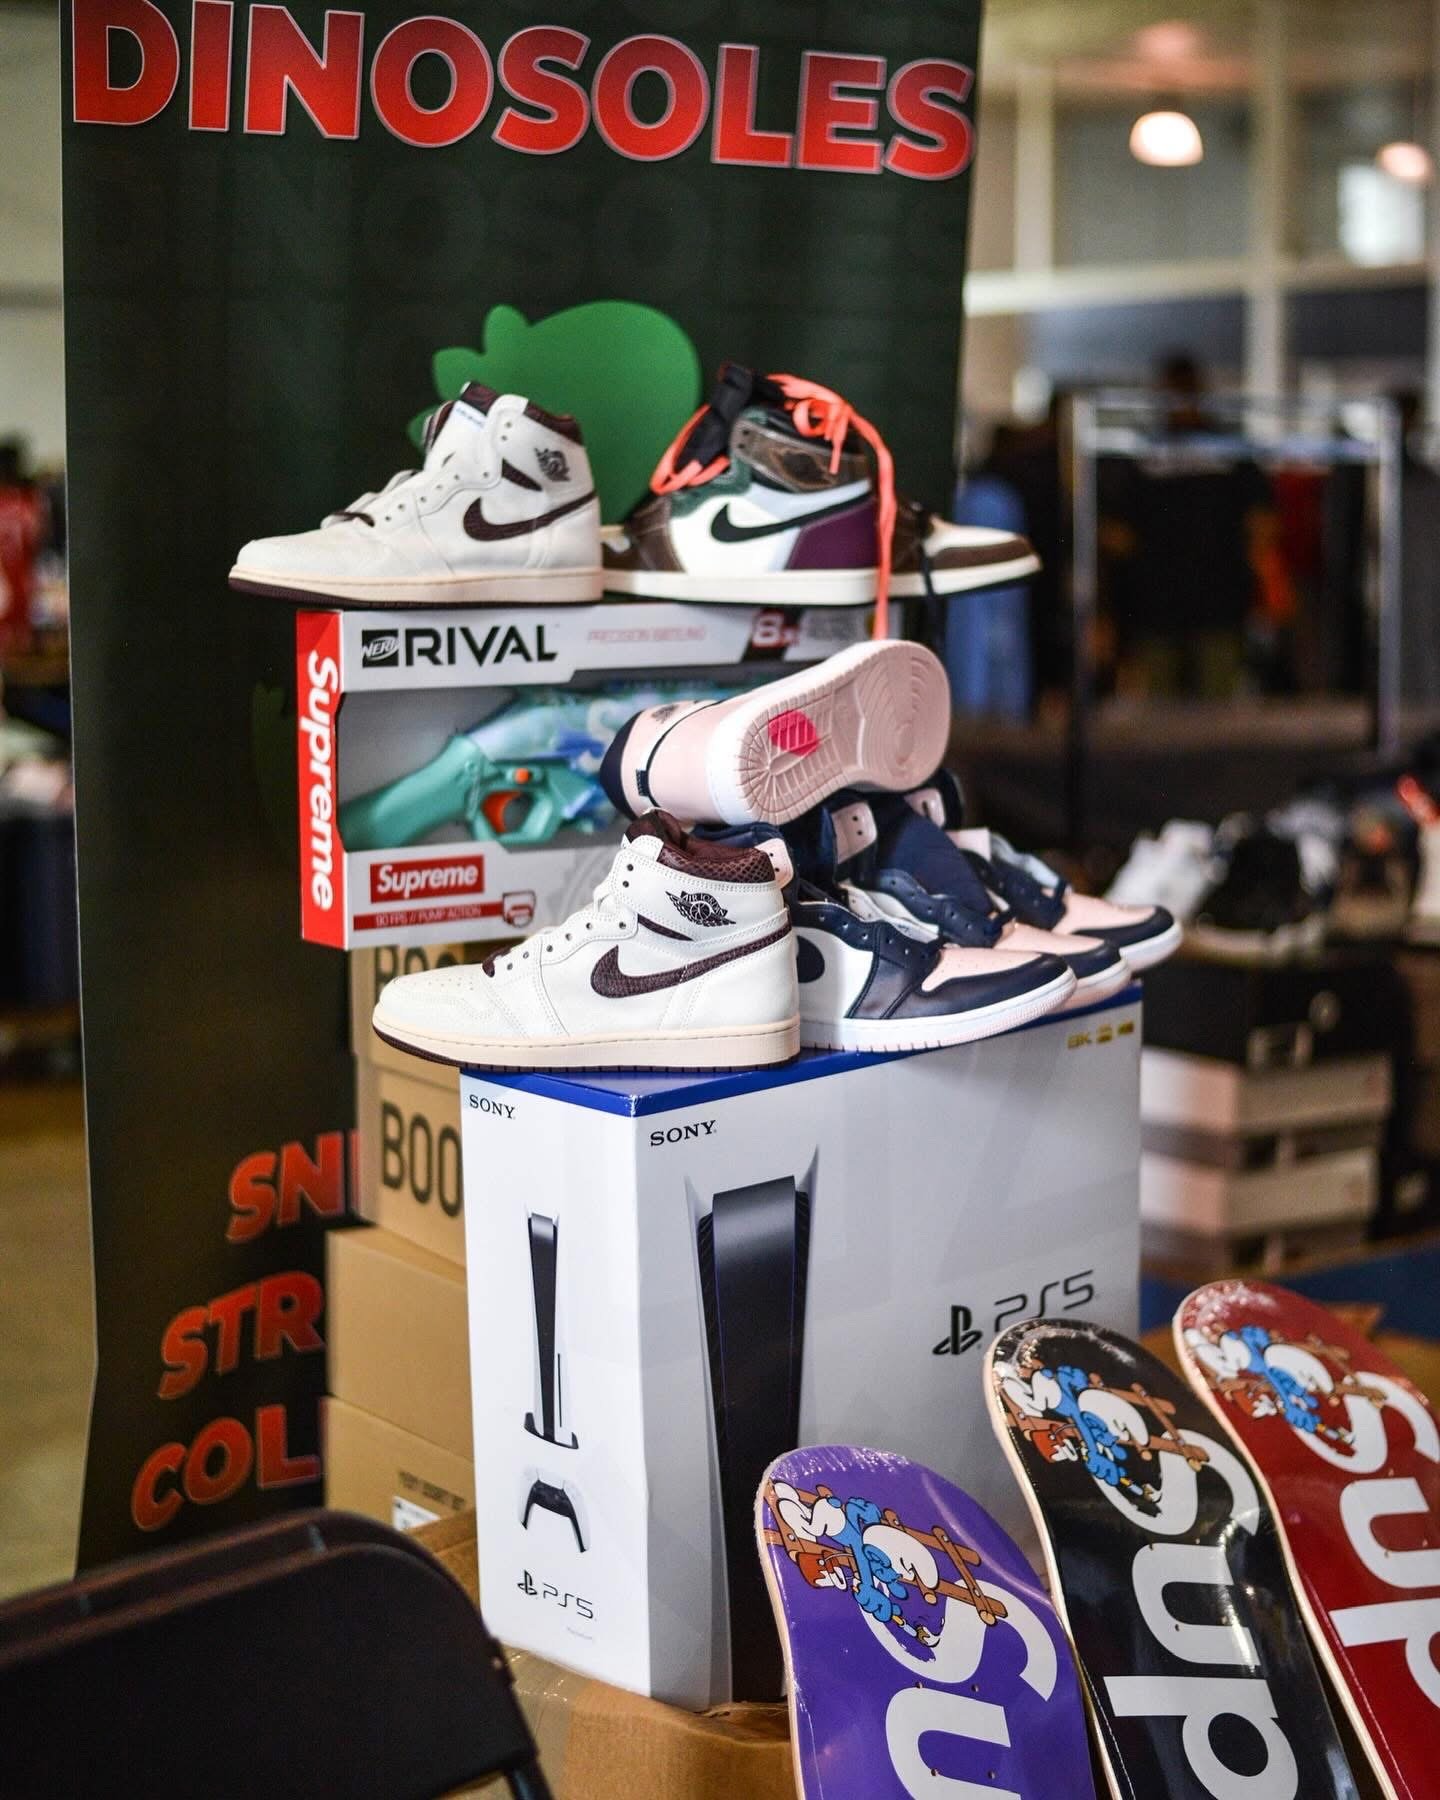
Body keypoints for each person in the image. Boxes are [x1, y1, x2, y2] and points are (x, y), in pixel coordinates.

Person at [1101, 354, 1290, 699]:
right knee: (1171, 711)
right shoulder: (1149, 453)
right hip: (1168, 607)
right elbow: (1117, 534)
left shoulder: (1156, 454)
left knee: (1209, 707)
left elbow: (1263, 525)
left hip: (1209, 604)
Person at [0, 439, 48, 655]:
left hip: (8, 585)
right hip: (23, 586)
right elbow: (40, 538)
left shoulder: (14, 500)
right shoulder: (32, 500)